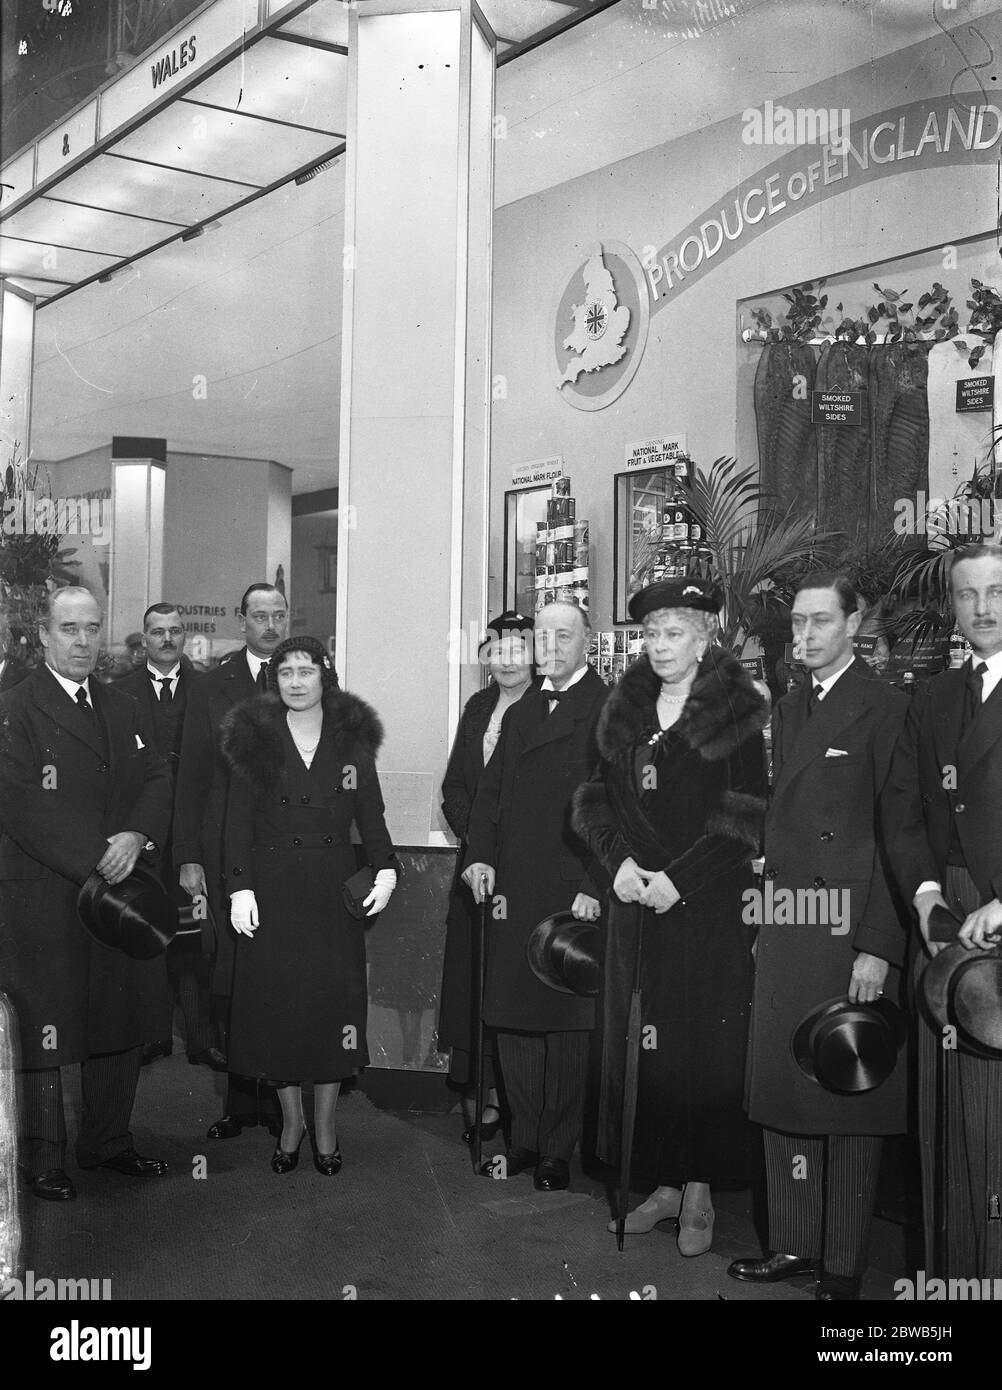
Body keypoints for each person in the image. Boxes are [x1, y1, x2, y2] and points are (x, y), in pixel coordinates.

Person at [572, 578, 768, 1256]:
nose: (659, 646)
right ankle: (658, 1184)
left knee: (698, 1050)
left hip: (704, 910)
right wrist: (618, 866)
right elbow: (591, 803)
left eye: (674, 633)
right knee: (641, 1050)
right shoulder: (623, 707)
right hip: (636, 909)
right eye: (651, 633)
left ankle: (700, 1195)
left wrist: (678, 881)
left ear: (704, 636)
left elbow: (747, 815)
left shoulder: (736, 710)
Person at [728, 573, 910, 1300]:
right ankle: (795, 1245)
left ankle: (842, 1263)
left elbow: (898, 835)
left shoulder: (888, 706)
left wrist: (878, 943)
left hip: (848, 930)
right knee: (786, 1092)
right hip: (789, 922)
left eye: (820, 622)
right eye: (797, 624)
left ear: (854, 621)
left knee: (848, 1091)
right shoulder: (795, 702)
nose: (804, 637)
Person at [0, 586, 171, 1202]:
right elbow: (20, 804)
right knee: (47, 1026)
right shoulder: (15, 707)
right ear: (42, 635)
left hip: (119, 890)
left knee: (116, 1017)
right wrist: (99, 858)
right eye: (68, 629)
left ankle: (107, 1142)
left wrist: (137, 833)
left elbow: (157, 774)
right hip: (47, 894)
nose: (81, 641)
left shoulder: (122, 705)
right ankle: (41, 1159)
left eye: (91, 629)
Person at [220, 637, 398, 1174]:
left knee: (329, 1010)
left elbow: (370, 812)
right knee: (279, 1008)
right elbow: (236, 821)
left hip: (329, 889)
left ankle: (324, 1124)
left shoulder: (350, 740)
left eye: (306, 671)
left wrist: (387, 868)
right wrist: (238, 886)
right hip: (271, 891)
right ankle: (290, 1121)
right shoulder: (254, 739)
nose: (296, 681)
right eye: (286, 673)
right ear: (275, 681)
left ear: (325, 675)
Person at [883, 541, 1002, 1280]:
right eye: (966, 595)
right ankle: (952, 1282)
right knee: (945, 1119)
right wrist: (925, 896)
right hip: (944, 928)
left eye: (996, 591)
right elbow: (903, 807)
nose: (983, 608)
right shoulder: (933, 697)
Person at [462, 599, 607, 1192]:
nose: (548, 646)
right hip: (512, 889)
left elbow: (616, 807)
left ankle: (556, 1149)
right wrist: (476, 855)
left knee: (566, 1025)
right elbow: (490, 795)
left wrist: (593, 885)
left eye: (562, 635)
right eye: (541, 636)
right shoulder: (521, 710)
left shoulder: (606, 709)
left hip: (571, 893)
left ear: (587, 642)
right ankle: (522, 1138)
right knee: (516, 1020)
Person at [172, 582, 289, 1140]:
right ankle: (241, 1101)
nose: (270, 624)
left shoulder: (306, 675)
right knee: (233, 972)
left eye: (278, 615)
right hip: (224, 846)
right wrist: (189, 856)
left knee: (276, 971)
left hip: (286, 849)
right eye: (259, 616)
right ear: (241, 621)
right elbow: (192, 774)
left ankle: (281, 1098)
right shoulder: (212, 685)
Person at [439, 611, 535, 1143]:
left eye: (519, 648)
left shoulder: (549, 706)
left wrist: (506, 849)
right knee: (473, 981)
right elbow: (455, 786)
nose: (508, 658)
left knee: (516, 982)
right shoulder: (478, 707)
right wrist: (477, 844)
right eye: (498, 649)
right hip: (475, 871)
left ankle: (521, 1102)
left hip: (526, 872)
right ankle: (484, 1096)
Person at [117, 603, 223, 1071]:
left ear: (185, 636)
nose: (166, 639)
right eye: (157, 632)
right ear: (143, 638)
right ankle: (151, 1035)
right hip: (142, 830)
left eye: (175, 631)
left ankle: (202, 1039)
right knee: (145, 934)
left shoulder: (208, 688)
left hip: (192, 833)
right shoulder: (118, 693)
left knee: (191, 937)